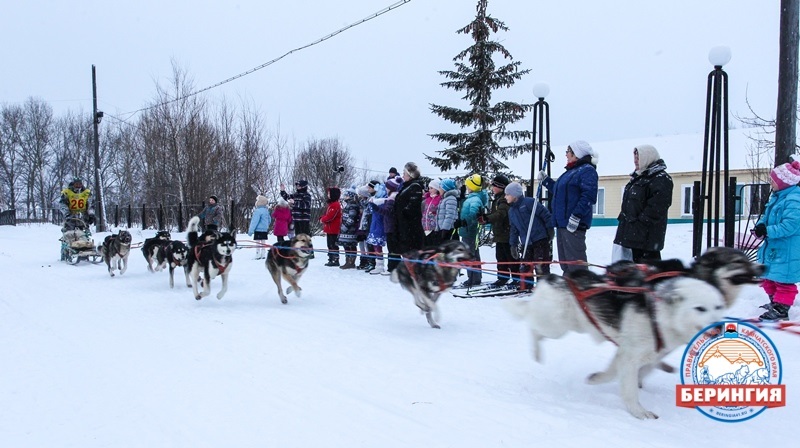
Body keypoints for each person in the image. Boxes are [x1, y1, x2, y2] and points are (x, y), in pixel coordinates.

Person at [539, 140, 598, 274]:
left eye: (568, 152)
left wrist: (576, 216)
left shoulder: (587, 171)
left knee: (575, 264)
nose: (566, 155)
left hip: (573, 224)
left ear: (577, 154)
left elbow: (589, 196)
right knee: (565, 263)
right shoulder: (570, 172)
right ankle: (570, 288)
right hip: (562, 223)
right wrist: (546, 181)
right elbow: (560, 192)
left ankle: (581, 288)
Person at [752, 160, 800, 321]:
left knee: (784, 280)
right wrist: (760, 227)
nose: (771, 182)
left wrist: (768, 231)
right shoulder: (777, 198)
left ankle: (781, 308)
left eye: (773, 180)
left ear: (784, 182)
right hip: (774, 247)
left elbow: (790, 226)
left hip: (787, 248)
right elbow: (766, 218)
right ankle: (775, 302)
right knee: (770, 276)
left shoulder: (794, 200)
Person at [613, 144, 674, 263]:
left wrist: (639, 223)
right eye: (634, 157)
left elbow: (656, 208)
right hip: (633, 236)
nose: (635, 161)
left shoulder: (661, 179)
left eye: (638, 157)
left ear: (648, 157)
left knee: (649, 272)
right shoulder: (638, 177)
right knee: (635, 272)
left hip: (647, 239)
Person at [505, 182, 553, 288]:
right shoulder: (511, 211)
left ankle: (544, 286)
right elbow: (513, 229)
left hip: (539, 239)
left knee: (540, 265)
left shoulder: (529, 203)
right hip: (526, 242)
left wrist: (550, 229)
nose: (505, 197)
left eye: (507, 194)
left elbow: (546, 215)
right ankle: (527, 284)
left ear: (514, 195)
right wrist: (513, 245)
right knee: (526, 265)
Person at [482, 174, 514, 286]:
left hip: (506, 233)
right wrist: (485, 217)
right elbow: (495, 214)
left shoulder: (504, 200)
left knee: (509, 258)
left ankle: (517, 279)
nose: (492, 188)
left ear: (500, 187)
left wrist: (487, 218)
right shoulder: (498, 199)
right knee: (500, 257)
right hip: (500, 233)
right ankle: (502, 278)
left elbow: (500, 214)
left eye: (494, 186)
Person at [458, 174, 489, 287]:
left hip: (470, 231)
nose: (467, 187)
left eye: (468, 185)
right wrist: (461, 198)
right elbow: (465, 210)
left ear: (472, 186)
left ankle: (473, 278)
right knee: (472, 254)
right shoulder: (472, 198)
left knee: (470, 255)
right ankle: (475, 277)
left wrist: (464, 222)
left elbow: (473, 214)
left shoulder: (475, 199)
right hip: (467, 231)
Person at [394, 162, 426, 258]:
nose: (403, 176)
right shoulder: (407, 186)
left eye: (404, 173)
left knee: (410, 253)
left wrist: (403, 213)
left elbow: (413, 207)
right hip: (403, 226)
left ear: (410, 174)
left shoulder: (415, 187)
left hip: (410, 228)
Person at [372, 175, 402, 275]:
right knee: (392, 248)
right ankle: (393, 268)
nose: (386, 188)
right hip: (391, 226)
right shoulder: (391, 198)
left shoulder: (392, 199)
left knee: (393, 249)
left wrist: (377, 209)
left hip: (392, 226)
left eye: (387, 187)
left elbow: (388, 212)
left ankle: (392, 268)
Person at [280, 179, 313, 257]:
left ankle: (310, 252)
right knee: (298, 236)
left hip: (304, 219)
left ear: (303, 186)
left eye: (299, 185)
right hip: (296, 218)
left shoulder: (307, 195)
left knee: (305, 236)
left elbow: (306, 205)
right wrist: (282, 191)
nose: (297, 187)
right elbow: (287, 197)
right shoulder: (295, 194)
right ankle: (301, 252)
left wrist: (295, 203)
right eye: (297, 185)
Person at [365, 180, 387, 273]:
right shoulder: (373, 199)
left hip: (379, 224)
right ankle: (378, 265)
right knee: (374, 245)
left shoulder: (382, 200)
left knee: (378, 245)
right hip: (374, 223)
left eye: (370, 188)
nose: (368, 189)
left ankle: (380, 266)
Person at [337, 187, 362, 269]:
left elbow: (351, 217)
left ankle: (351, 262)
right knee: (346, 246)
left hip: (350, 230)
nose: (345, 196)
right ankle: (347, 261)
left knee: (351, 246)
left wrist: (345, 227)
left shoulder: (353, 205)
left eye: (346, 195)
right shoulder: (348, 204)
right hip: (346, 230)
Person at [320, 187, 342, 267]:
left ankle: (335, 259)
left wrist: (323, 219)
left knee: (333, 244)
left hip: (333, 228)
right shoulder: (331, 204)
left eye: (329, 193)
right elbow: (326, 214)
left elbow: (330, 217)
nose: (328, 195)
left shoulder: (335, 205)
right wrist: (322, 218)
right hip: (329, 228)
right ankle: (331, 258)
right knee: (329, 244)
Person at [248, 195, 272, 259]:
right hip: (264, 229)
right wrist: (266, 225)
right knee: (263, 241)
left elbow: (254, 221)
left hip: (258, 229)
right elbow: (269, 219)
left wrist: (251, 230)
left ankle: (258, 253)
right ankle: (263, 253)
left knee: (258, 241)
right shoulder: (266, 211)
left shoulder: (257, 211)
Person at [435, 178, 459, 243]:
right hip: (442, 229)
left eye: (440, 187)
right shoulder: (444, 199)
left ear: (445, 188)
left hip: (448, 230)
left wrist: (445, 229)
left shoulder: (451, 199)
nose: (439, 189)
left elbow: (449, 215)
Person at [355, 185, 373, 270]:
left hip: (365, 226)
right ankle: (363, 259)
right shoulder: (360, 203)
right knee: (361, 244)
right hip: (360, 226)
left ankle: (369, 260)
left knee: (367, 244)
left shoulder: (368, 203)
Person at [422, 178, 442, 247]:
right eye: (429, 188)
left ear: (437, 189)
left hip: (434, 228)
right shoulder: (427, 199)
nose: (429, 190)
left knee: (433, 247)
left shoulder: (439, 199)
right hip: (425, 227)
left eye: (431, 188)